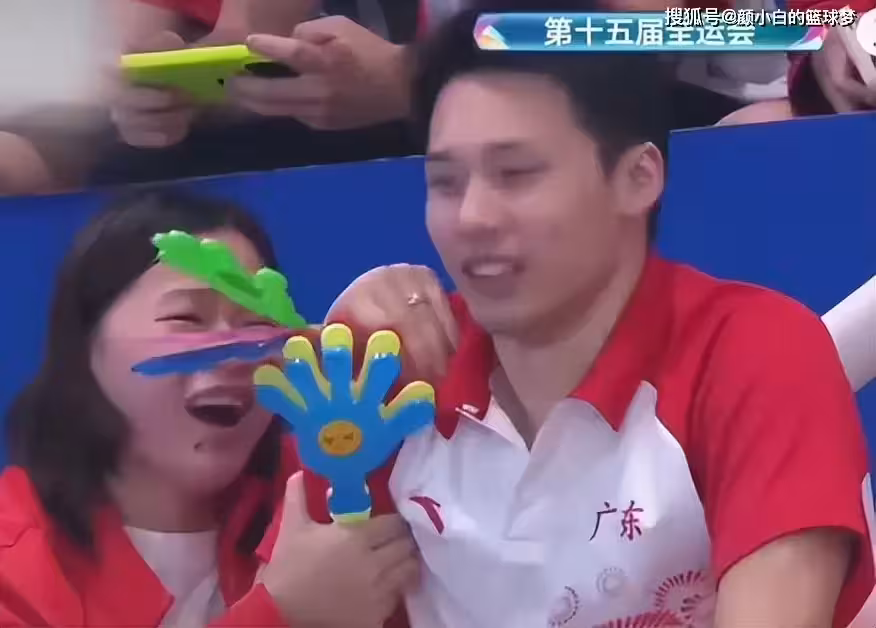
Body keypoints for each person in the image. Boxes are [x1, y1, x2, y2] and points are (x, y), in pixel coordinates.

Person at [254, 3, 876, 626]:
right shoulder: (383, 374)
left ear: (638, 178)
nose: (472, 216)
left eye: (516, 173)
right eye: (445, 182)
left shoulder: (759, 352)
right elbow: (296, 600)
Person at [0, 189, 420, 627]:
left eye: (257, 324)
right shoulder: (14, 564)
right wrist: (283, 616)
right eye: (186, 318)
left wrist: (410, 314)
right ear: (86, 347)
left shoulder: (340, 475)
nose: (236, 355)